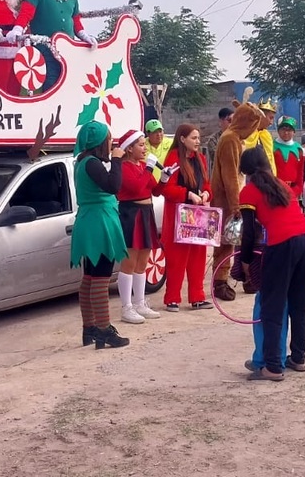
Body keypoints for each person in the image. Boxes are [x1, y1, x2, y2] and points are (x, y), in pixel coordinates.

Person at [239, 148, 305, 381]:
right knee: (298, 304)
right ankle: (298, 358)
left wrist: (245, 261)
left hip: (282, 244)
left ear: (246, 171)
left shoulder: (249, 192)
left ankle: (272, 367)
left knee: (272, 306)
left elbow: (249, 232)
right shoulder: (281, 184)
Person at [71, 121, 130, 348]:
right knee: (101, 278)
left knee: (90, 277)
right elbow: (113, 185)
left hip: (89, 221)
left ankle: (90, 328)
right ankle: (104, 330)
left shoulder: (82, 161)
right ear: (99, 142)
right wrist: (116, 159)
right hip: (99, 223)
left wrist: (115, 160)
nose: (112, 142)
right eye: (109, 138)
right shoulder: (92, 163)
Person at [156, 123, 213, 311]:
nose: (198, 141)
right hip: (178, 216)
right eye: (194, 138)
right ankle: (172, 298)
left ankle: (197, 297)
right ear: (182, 139)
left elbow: (206, 184)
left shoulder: (201, 159)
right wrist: (188, 194)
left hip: (198, 214)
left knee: (198, 256)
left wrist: (205, 194)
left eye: (198, 138)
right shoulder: (173, 158)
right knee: (177, 258)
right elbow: (167, 189)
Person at [210, 102, 264, 301]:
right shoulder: (230, 139)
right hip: (227, 200)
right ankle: (220, 281)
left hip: (233, 198)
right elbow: (231, 176)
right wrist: (236, 206)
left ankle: (243, 276)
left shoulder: (234, 138)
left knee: (236, 240)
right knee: (227, 241)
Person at [114, 129, 162, 324]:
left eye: (144, 145)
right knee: (130, 260)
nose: (145, 148)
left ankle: (140, 302)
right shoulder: (124, 167)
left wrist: (165, 177)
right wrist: (149, 169)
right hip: (130, 214)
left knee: (144, 260)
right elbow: (135, 188)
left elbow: (156, 190)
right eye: (141, 145)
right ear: (129, 148)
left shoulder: (142, 165)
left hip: (146, 213)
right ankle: (126, 307)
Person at [273, 116, 305, 208]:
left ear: (294, 132)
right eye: (283, 129)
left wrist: (298, 190)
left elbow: (300, 172)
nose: (286, 133)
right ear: (278, 130)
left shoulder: (299, 149)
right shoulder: (271, 147)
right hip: (275, 191)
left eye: (289, 130)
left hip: (293, 191)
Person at [244, 100, 278, 176]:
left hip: (267, 177)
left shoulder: (266, 135)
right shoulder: (247, 133)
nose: (271, 122)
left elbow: (270, 159)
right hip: (250, 176)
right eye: (270, 118)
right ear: (261, 116)